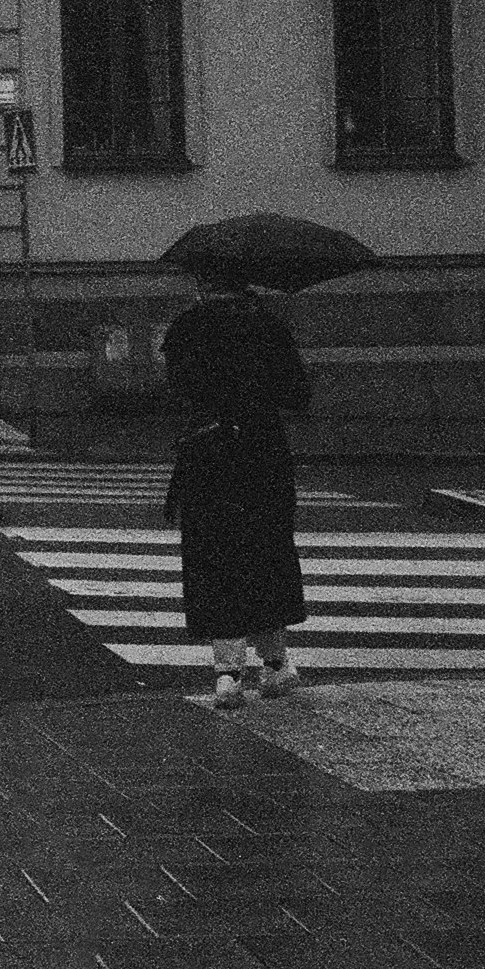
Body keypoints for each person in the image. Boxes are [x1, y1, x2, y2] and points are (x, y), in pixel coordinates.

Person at [161, 268, 313, 709]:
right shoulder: (268, 326)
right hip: (261, 450)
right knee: (266, 551)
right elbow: (298, 394)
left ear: (202, 285)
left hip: (207, 452)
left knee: (214, 554)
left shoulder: (186, 328)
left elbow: (177, 389)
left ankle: (227, 672)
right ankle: (275, 664)